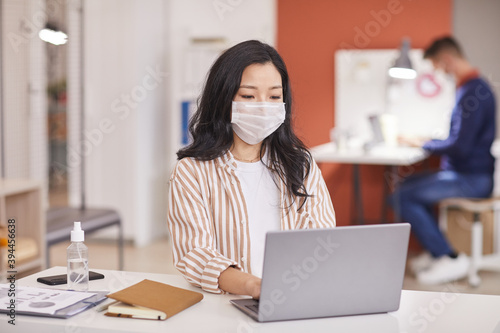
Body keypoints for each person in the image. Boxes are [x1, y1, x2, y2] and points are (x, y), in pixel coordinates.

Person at [167, 40, 336, 298]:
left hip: (296, 299)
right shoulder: (192, 172)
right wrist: (255, 287)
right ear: (223, 98)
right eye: (248, 95)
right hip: (228, 305)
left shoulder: (301, 164)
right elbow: (194, 255)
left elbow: (323, 239)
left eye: (274, 96)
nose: (263, 106)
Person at [393, 36, 496, 285]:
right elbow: (460, 138)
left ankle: (448, 256)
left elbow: (460, 147)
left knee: (401, 196)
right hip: (467, 174)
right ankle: (435, 250)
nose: (439, 73)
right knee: (406, 186)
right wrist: (428, 139)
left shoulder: (474, 92)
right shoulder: (471, 88)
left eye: (438, 66)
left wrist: (422, 143)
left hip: (472, 179)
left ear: (447, 60)